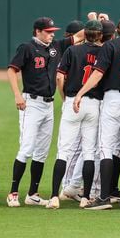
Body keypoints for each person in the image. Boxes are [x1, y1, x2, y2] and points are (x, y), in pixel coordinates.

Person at [6, 17, 84, 207]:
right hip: (30, 104)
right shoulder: (26, 48)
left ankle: (33, 193)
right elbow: (11, 70)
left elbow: (80, 36)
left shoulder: (56, 46)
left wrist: (94, 22)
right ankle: (13, 193)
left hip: (48, 106)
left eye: (52, 31)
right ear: (37, 31)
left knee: (41, 152)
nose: (52, 34)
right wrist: (17, 95)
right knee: (26, 148)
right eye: (48, 31)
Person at [74, 12, 120, 210]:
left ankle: (104, 197)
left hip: (113, 98)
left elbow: (97, 74)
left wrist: (80, 93)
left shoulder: (111, 45)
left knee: (107, 146)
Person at [46, 20, 104, 209]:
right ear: (100, 35)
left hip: (73, 102)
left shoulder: (72, 51)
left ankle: (54, 196)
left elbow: (59, 77)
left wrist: (64, 97)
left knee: (64, 150)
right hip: (94, 104)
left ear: (85, 34)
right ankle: (86, 197)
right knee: (89, 152)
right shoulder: (104, 52)